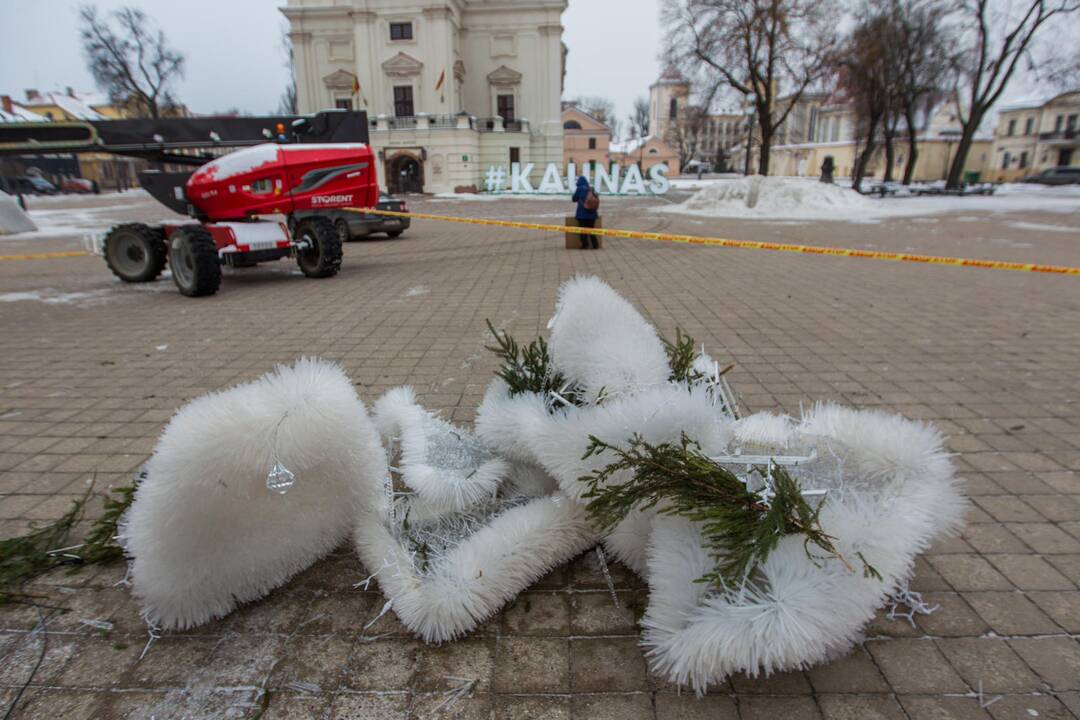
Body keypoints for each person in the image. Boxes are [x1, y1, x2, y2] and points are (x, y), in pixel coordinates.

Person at [571, 175, 599, 249]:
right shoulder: (591, 189)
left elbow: (574, 199)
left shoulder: (579, 189)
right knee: (591, 229)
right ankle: (595, 245)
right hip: (592, 214)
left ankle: (585, 245)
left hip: (582, 214)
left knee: (582, 230)